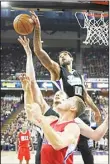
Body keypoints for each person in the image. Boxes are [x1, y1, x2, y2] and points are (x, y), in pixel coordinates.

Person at [18, 36, 108, 164]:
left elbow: (94, 135)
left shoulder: (73, 123)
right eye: (56, 96)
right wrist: (28, 54)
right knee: (40, 154)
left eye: (62, 97)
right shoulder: (51, 113)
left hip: (64, 136)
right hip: (53, 128)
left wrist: (99, 112)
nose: (57, 96)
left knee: (87, 151)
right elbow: (32, 85)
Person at [30, 11, 102, 164]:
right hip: (61, 114)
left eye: (65, 54)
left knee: (85, 148)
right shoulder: (57, 70)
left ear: (71, 58)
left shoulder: (77, 75)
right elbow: (39, 52)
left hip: (77, 112)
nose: (62, 56)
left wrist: (95, 110)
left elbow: (85, 96)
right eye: (60, 55)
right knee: (45, 145)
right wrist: (37, 29)